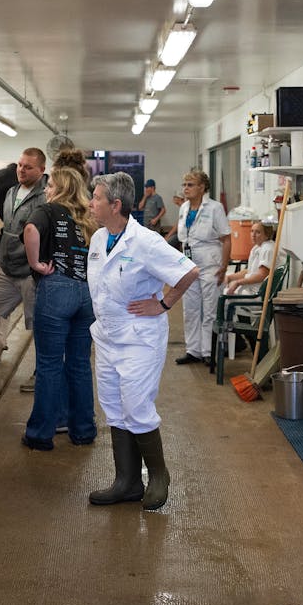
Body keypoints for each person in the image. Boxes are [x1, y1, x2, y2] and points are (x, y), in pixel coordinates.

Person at [86, 172, 200, 511]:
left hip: (139, 338)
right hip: (107, 337)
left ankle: (159, 475)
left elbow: (189, 272)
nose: (91, 203)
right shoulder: (97, 239)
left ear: (115, 205)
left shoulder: (145, 241)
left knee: (137, 406)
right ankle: (127, 481)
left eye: (96, 198)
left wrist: (163, 303)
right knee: (114, 407)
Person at [20, 159, 99, 451]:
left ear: (60, 188)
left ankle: (41, 434)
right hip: (86, 293)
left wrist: (36, 264)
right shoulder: (89, 219)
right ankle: (83, 430)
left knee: (50, 365)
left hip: (57, 288)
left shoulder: (47, 210)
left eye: (50, 185)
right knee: (79, 364)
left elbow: (30, 231)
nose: (47, 189)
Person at [0, 148, 48, 392]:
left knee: (38, 325)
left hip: (30, 271)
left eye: (28, 167)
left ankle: (40, 372)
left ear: (42, 171)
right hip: (7, 266)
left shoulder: (45, 197)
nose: (21, 170)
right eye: (20, 165)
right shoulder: (12, 191)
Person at [173, 170, 231, 366]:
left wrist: (224, 267)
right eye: (184, 185)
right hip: (188, 265)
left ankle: (209, 351)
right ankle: (193, 350)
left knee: (210, 310)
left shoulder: (215, 208)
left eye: (190, 185)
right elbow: (183, 237)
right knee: (190, 309)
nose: (186, 188)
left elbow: (226, 238)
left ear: (202, 187)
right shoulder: (184, 208)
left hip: (210, 264)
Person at [223, 219, 276, 295]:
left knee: (222, 295)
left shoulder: (268, 249)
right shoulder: (257, 248)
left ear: (267, 234)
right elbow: (248, 271)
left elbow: (262, 275)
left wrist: (238, 282)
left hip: (258, 293)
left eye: (258, 232)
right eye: (252, 231)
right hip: (251, 289)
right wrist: (229, 277)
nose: (253, 235)